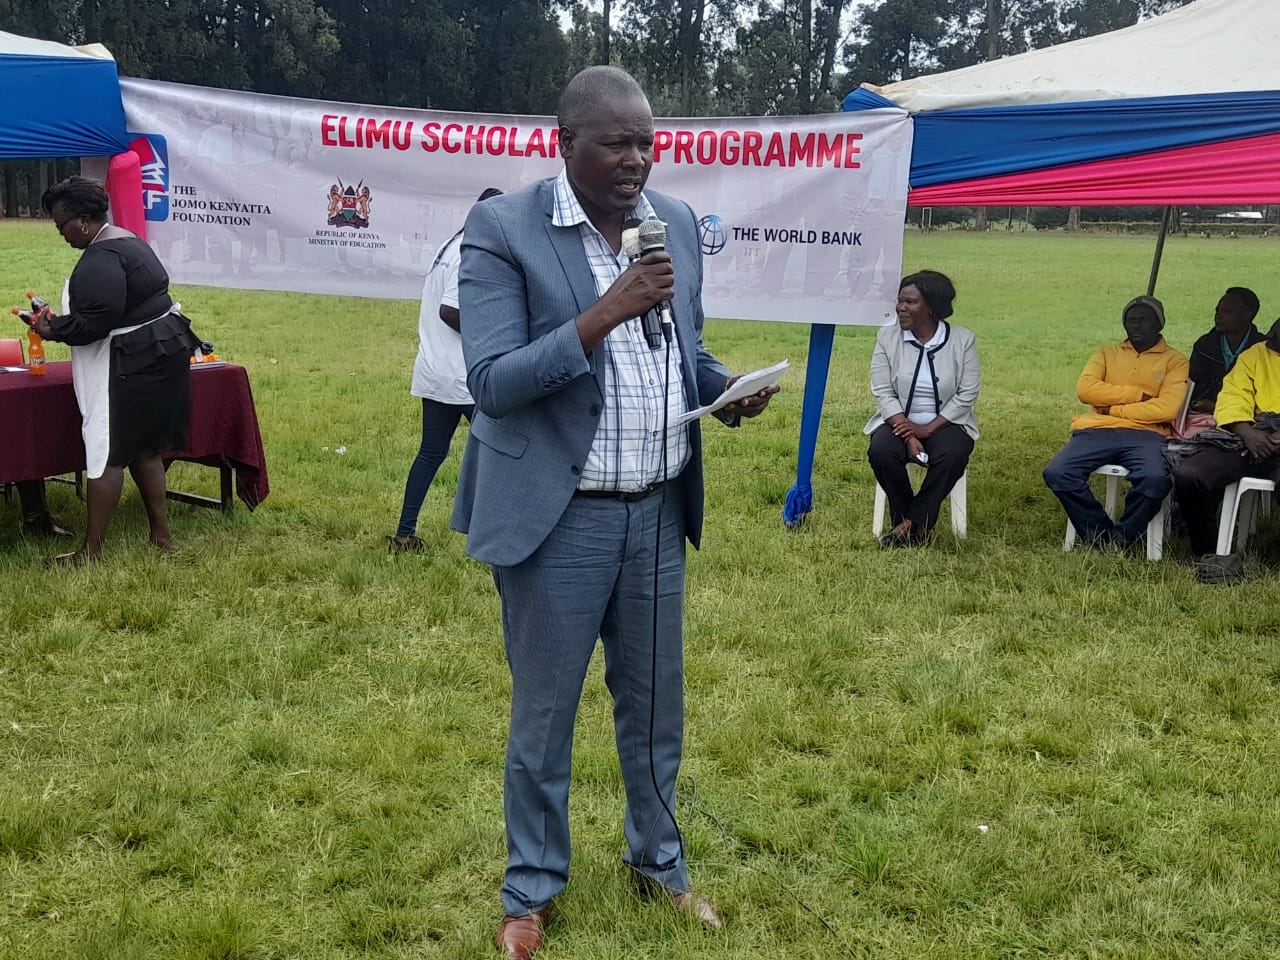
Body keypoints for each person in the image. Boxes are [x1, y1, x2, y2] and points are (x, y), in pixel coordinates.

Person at [450, 66, 776, 960]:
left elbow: (684, 349)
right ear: (566, 143)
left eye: (648, 140)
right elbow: (492, 384)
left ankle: (659, 864)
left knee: (654, 706)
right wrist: (603, 314)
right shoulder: (503, 228)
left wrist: (724, 388)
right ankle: (530, 889)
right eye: (617, 142)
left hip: (657, 510)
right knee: (545, 716)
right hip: (560, 518)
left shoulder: (668, 224)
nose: (638, 158)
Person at [31, 176, 198, 565]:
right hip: (164, 347)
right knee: (145, 448)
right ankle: (160, 535)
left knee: (107, 450)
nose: (60, 233)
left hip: (128, 359)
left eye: (62, 225)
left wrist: (50, 329)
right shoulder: (129, 240)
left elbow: (95, 324)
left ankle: (90, 552)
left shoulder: (100, 259)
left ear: (85, 221)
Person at [387, 187, 502, 553]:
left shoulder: (448, 247)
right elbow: (450, 311)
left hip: (437, 370)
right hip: (463, 376)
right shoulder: (470, 254)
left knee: (432, 453)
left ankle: (404, 534)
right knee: (502, 452)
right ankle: (496, 537)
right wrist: (496, 333)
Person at [1043, 295, 1189, 548]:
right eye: (1131, 320)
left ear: (1159, 324)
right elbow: (1086, 389)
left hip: (1148, 434)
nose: (1136, 325)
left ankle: (1123, 537)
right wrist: (1137, 396)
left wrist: (1112, 409)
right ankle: (1100, 535)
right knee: (1058, 472)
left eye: (1143, 320)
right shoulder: (1106, 353)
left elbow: (1166, 409)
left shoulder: (1175, 361)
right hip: (1095, 430)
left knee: (1155, 479)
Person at [865, 270, 979, 546]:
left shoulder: (963, 340)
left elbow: (967, 393)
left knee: (952, 455)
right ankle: (913, 525)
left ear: (931, 307)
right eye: (900, 301)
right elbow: (882, 391)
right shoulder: (887, 338)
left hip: (948, 423)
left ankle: (909, 524)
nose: (901, 307)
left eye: (910, 302)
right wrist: (910, 433)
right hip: (897, 423)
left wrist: (928, 427)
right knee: (881, 452)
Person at [1173, 318, 1280, 561]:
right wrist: (1246, 431)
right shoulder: (1255, 355)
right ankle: (1208, 552)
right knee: (1190, 475)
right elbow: (1232, 395)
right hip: (1247, 435)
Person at [1184, 286, 1265, 430]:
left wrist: (1216, 406)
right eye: (1217, 311)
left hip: (1248, 419)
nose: (1218, 316)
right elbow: (1191, 384)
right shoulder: (1205, 345)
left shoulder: (1262, 349)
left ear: (1247, 314)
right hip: (1203, 415)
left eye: (1226, 312)